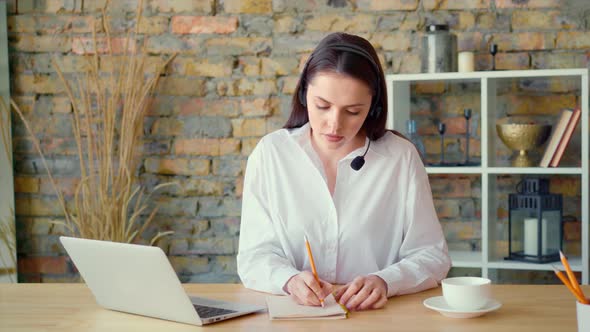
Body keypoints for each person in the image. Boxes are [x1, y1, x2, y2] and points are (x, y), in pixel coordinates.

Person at [237, 32, 451, 311]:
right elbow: (254, 256)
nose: (334, 125)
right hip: (296, 317)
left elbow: (432, 256)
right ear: (304, 94)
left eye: (352, 111)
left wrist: (386, 281)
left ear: (373, 108)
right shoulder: (271, 154)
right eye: (322, 106)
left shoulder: (400, 158)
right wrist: (288, 280)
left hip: (378, 319)